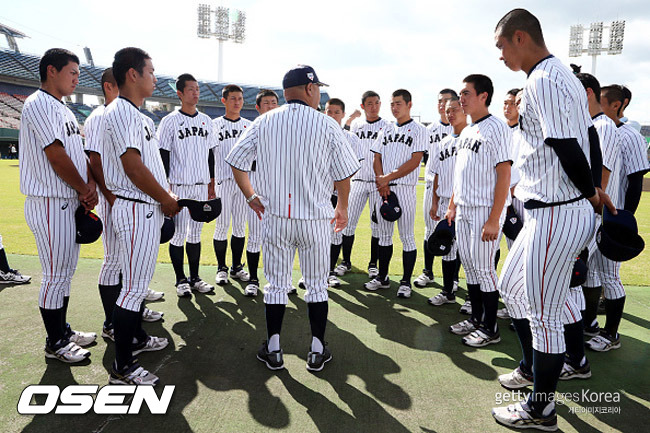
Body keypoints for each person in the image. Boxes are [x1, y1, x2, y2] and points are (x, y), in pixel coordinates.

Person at [492, 9, 614, 430]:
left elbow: (567, 145)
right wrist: (593, 189)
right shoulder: (554, 75)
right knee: (511, 286)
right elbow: (586, 137)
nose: (501, 55)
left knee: (544, 316)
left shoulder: (544, 78)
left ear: (520, 37)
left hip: (558, 211)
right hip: (550, 210)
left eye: (502, 45)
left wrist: (591, 191)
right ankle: (547, 365)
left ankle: (540, 409)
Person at [226, 65, 360, 372]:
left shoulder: (264, 120)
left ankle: (274, 348)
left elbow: (236, 161)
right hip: (315, 219)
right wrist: (342, 206)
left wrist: (250, 195)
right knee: (316, 287)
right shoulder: (327, 124)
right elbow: (344, 172)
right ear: (310, 89)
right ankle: (316, 349)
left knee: (275, 286)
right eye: (318, 89)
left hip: (277, 218)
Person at [102, 47, 179, 385]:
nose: (154, 77)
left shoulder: (139, 116)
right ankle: (122, 367)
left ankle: (135, 340)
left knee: (135, 285)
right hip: (136, 207)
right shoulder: (120, 111)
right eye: (150, 71)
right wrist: (166, 199)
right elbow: (132, 168)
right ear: (132, 74)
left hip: (143, 207)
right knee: (132, 289)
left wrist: (165, 195)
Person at [20, 48, 98, 363]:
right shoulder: (38, 104)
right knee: (54, 275)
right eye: (72, 73)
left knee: (64, 273)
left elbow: (76, 154)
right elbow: (55, 155)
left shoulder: (64, 109)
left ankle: (62, 331)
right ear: (51, 71)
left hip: (68, 200)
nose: (77, 79)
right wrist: (83, 188)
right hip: (49, 200)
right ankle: (55, 343)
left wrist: (88, 187)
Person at [86, 68, 163, 341]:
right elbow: (95, 159)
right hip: (118, 196)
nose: (154, 77)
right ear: (111, 85)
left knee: (129, 269)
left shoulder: (134, 116)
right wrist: (111, 197)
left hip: (130, 196)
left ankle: (131, 319)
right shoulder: (103, 115)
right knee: (113, 262)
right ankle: (113, 323)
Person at [445, 74, 511, 348]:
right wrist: (452, 204)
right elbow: (460, 173)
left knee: (484, 269)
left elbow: (504, 174)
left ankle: (490, 328)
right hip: (465, 208)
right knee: (471, 267)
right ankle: (476, 319)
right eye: (461, 94)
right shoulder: (467, 130)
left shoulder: (497, 128)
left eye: (467, 93)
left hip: (485, 209)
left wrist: (495, 218)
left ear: (483, 96)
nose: (462, 99)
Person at [582, 84, 650, 351]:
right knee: (590, 275)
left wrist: (626, 220)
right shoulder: (595, 129)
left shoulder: (629, 135)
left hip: (613, 214)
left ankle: (612, 334)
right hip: (593, 213)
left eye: (603, 101)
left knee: (609, 275)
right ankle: (589, 323)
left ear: (619, 105)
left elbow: (635, 180)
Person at [363, 89, 427, 298]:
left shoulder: (419, 130)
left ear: (409, 104)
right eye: (392, 103)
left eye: (398, 103)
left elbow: (415, 160)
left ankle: (406, 282)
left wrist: (387, 178)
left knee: (407, 237)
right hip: (384, 190)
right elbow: (376, 158)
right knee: (384, 237)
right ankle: (382, 277)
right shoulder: (386, 129)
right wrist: (382, 182)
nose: (394, 107)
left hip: (405, 189)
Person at [157, 73, 217, 298]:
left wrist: (212, 183)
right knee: (179, 234)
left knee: (196, 234)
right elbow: (163, 155)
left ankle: (195, 277)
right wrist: (165, 188)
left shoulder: (206, 121)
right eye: (190, 89)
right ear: (180, 93)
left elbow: (211, 154)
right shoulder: (169, 121)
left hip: (201, 185)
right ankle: (180, 279)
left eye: (197, 89)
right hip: (179, 186)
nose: (195, 92)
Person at [340, 91, 391, 279]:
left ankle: (373, 264)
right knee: (348, 223)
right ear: (363, 106)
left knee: (377, 226)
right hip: (357, 181)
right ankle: (345, 261)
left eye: (377, 103)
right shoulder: (355, 124)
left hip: (378, 183)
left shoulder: (387, 126)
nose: (374, 106)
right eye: (369, 103)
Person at [415, 89, 456, 289]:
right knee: (429, 230)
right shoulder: (429, 129)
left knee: (453, 235)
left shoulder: (461, 129)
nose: (443, 104)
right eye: (440, 101)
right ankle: (428, 272)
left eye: (447, 101)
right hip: (432, 185)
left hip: (453, 188)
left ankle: (453, 278)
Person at [426, 96, 466, 306]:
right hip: (443, 202)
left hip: (466, 203)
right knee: (447, 251)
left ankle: (470, 297)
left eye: (455, 110)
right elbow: (436, 174)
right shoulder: (444, 142)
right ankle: (448, 291)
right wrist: (434, 202)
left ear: (465, 110)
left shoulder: (472, 138)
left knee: (468, 253)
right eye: (448, 110)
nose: (450, 114)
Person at [212, 85, 252, 286]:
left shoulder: (249, 125)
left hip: (244, 184)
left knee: (239, 228)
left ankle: (237, 266)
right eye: (233, 98)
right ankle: (221, 268)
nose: (237, 102)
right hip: (222, 182)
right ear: (224, 101)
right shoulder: (213, 125)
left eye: (240, 99)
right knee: (221, 227)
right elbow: (207, 156)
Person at [243, 89, 279, 297]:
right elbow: (240, 161)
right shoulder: (252, 129)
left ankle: (279, 280)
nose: (271, 106)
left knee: (279, 237)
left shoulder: (285, 131)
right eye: (266, 103)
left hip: (280, 188)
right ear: (257, 107)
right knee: (255, 236)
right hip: (257, 186)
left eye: (274, 102)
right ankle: (253, 279)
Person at [324, 98, 362, 288]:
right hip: (318, 192)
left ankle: (330, 272)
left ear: (343, 114)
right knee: (316, 233)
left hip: (339, 192)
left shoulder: (351, 138)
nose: (332, 115)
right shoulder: (315, 134)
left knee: (336, 234)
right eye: (329, 111)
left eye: (336, 112)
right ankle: (313, 272)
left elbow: (354, 167)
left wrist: (336, 182)